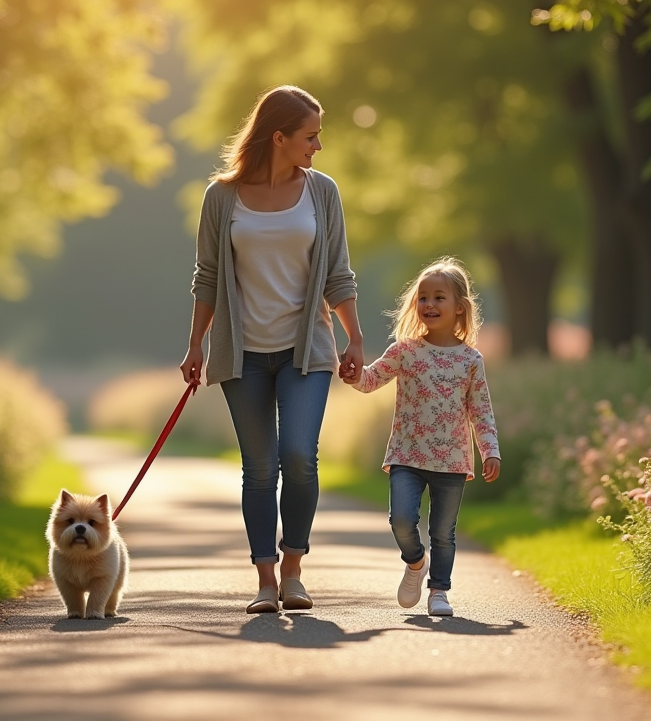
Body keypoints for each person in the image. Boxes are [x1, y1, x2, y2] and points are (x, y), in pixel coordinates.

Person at [180, 85, 364, 614]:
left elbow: (338, 272)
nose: (318, 147)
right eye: (310, 137)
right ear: (278, 137)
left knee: (299, 458)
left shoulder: (322, 192)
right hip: (243, 354)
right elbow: (207, 276)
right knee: (259, 468)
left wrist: (354, 337)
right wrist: (196, 344)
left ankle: (293, 569)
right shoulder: (222, 197)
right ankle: (264, 579)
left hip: (305, 348)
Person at [342, 256, 500, 617]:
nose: (429, 304)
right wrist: (353, 375)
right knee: (401, 519)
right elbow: (371, 380)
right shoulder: (406, 351)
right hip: (407, 456)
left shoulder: (471, 360)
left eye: (439, 297)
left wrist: (490, 450)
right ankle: (416, 563)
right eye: (423, 297)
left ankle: (439, 592)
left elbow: (481, 410)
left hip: (452, 460)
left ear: (460, 308)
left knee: (444, 532)